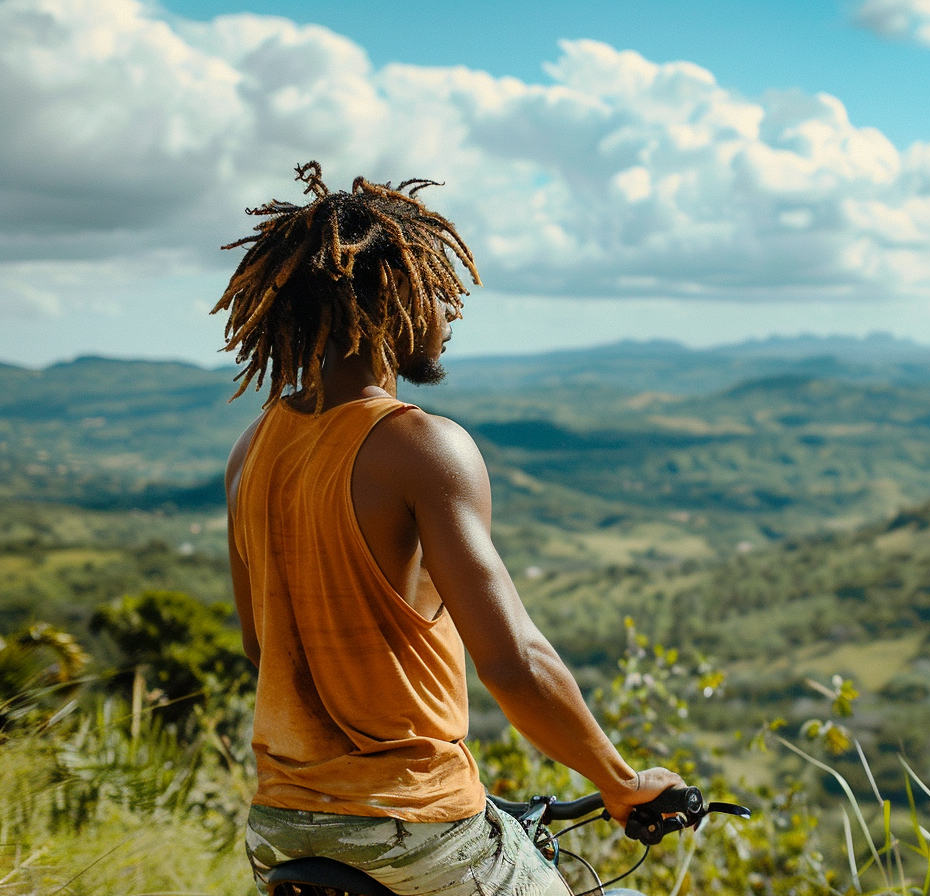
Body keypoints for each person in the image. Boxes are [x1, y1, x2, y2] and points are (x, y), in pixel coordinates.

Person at [216, 161, 680, 896]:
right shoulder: (421, 446)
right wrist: (620, 782)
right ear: (390, 298)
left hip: (282, 827)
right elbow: (514, 662)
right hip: (417, 829)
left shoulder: (251, 450)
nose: (449, 313)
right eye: (437, 290)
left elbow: (259, 644)